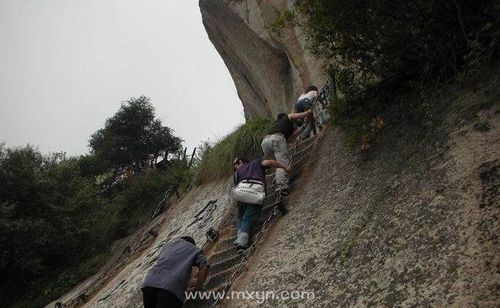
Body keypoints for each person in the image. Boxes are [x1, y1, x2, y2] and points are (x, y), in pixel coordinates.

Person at [232, 158, 291, 251]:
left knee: (241, 216)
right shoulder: (256, 162)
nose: (236, 167)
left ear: (240, 162)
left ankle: (240, 236)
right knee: (249, 216)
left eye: (236, 165)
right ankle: (241, 243)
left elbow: (235, 185)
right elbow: (268, 162)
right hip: (255, 191)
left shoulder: (237, 172)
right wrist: (285, 167)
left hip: (241, 192)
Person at [142, 236, 209, 308]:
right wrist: (197, 289)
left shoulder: (167, 246)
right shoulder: (194, 249)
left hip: (149, 283)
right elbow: (204, 267)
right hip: (170, 288)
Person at [261, 110, 312, 194]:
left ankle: (277, 180)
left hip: (265, 142)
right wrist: (306, 113)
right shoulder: (286, 118)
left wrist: (302, 128)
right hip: (277, 139)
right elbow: (292, 116)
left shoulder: (276, 126)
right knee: (283, 163)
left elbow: (290, 138)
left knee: (277, 163)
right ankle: (281, 186)